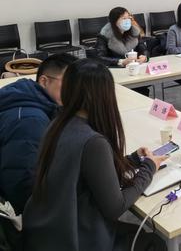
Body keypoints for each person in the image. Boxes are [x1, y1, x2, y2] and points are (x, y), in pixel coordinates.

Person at [23, 59, 167, 251]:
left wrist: (132, 160)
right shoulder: (92, 141)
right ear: (103, 95)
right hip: (75, 238)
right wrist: (149, 168)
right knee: (155, 243)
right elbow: (115, 207)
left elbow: (86, 171)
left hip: (46, 230)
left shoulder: (57, 122)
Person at [0, 54, 77, 214]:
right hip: (25, 212)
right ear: (44, 81)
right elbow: (22, 185)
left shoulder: (31, 97)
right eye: (69, 83)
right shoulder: (28, 120)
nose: (75, 91)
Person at [96, 6, 150, 96]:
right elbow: (100, 57)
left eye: (128, 18)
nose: (127, 21)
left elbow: (143, 48)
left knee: (142, 90)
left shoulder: (134, 32)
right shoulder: (104, 35)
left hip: (134, 71)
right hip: (115, 75)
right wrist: (121, 61)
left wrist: (144, 57)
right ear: (114, 21)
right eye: (123, 18)